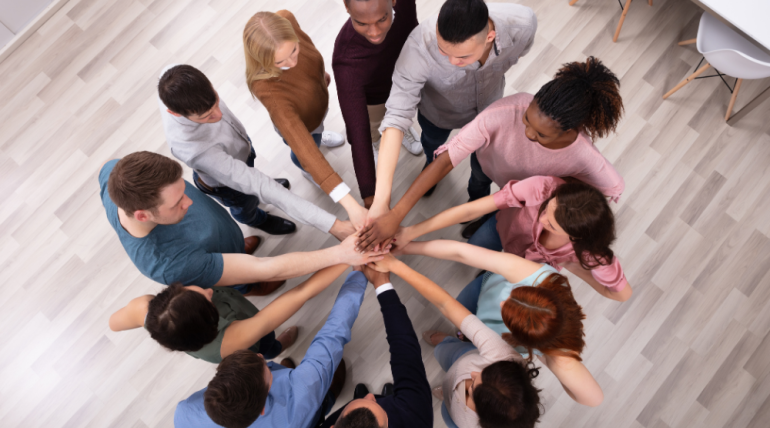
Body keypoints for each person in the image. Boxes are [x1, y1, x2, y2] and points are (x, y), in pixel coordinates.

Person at [358, 56, 625, 251]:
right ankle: (481, 214)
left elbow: (611, 191)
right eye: (527, 120)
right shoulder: (505, 111)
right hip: (485, 165)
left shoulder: (586, 158)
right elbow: (449, 158)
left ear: (573, 129)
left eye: (541, 135)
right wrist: (396, 214)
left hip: (519, 197)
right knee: (477, 188)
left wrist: (560, 195)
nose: (528, 134)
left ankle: (487, 218)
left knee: (497, 214)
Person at [99, 152, 385, 295]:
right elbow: (267, 267)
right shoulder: (171, 263)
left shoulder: (114, 172)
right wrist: (340, 254)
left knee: (231, 247)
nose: (190, 201)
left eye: (183, 190)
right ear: (142, 215)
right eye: (176, 204)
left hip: (219, 239)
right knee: (246, 276)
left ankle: (235, 249)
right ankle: (248, 286)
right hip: (213, 268)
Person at [365, 0, 536, 228]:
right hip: (438, 114)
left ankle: (477, 198)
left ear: (490, 37)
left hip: (490, 112)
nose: (453, 63)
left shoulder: (522, 25)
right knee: (431, 143)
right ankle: (430, 164)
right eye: (443, 52)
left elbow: (518, 54)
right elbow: (396, 116)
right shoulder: (419, 47)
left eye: (463, 58)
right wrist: (380, 200)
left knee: (483, 167)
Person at [393, 241, 604, 408]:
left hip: (490, 341)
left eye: (507, 313)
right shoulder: (542, 277)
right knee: (462, 319)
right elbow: (461, 252)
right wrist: (407, 246)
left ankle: (453, 351)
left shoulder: (548, 353)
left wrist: (557, 362)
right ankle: (457, 336)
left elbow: (593, 399)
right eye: (515, 296)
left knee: (465, 350)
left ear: (524, 338)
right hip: (483, 292)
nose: (502, 302)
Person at [158, 64, 355, 239]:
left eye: (216, 101)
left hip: (240, 151)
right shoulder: (195, 150)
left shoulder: (172, 75)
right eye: (207, 116)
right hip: (225, 185)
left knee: (255, 181)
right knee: (245, 203)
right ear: (174, 112)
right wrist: (332, 225)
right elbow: (261, 185)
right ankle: (257, 220)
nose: (218, 115)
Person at [174, 267, 370, 428]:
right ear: (261, 409)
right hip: (305, 416)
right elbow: (334, 333)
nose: (261, 357)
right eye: (266, 369)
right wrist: (359, 272)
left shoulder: (185, 414)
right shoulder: (305, 390)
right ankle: (327, 397)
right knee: (318, 403)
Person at [368, 254, 543, 428]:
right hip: (462, 356)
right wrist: (395, 266)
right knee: (445, 350)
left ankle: (446, 395)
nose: (472, 374)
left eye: (472, 388)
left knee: (447, 411)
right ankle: (445, 342)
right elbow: (445, 303)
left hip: (455, 417)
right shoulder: (503, 357)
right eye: (483, 372)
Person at [396, 176, 633, 301]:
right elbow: (471, 210)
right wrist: (411, 232)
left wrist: (579, 270)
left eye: (551, 224)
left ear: (576, 236)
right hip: (502, 229)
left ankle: (488, 272)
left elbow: (621, 294)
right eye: (544, 210)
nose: (540, 221)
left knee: (474, 290)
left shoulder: (594, 255)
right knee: (473, 247)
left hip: (522, 269)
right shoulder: (543, 188)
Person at [244, 10, 369, 230]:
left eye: (294, 50)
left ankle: (318, 136)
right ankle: (308, 170)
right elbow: (302, 144)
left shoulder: (286, 18)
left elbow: (309, 52)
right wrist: (350, 203)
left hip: (314, 108)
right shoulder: (268, 89)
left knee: (316, 134)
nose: (292, 62)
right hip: (299, 126)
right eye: (280, 62)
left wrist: (320, 76)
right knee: (308, 150)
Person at [109, 263, 363, 364]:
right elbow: (301, 293)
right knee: (265, 346)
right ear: (212, 321)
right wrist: (347, 260)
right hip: (248, 342)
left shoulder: (147, 308)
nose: (209, 291)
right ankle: (276, 348)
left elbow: (113, 324)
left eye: (187, 289)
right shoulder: (234, 338)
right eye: (208, 299)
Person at [333, 0, 422, 208]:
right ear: (347, 8)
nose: (373, 32)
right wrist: (370, 195)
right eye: (361, 22)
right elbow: (357, 130)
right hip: (375, 99)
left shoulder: (405, 4)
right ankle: (377, 142)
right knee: (372, 130)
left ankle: (402, 128)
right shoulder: (346, 59)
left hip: (408, 82)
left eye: (382, 19)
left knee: (405, 115)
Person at [320, 266, 432, 428]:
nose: (371, 395)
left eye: (366, 399)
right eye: (378, 405)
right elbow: (406, 352)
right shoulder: (415, 418)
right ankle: (381, 401)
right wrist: (382, 284)